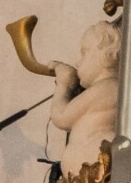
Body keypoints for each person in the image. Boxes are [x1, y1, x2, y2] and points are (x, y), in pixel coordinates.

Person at [47, 20, 120, 174]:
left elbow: (61, 117)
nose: (78, 62)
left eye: (84, 52)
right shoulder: (110, 87)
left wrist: (64, 83)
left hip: (96, 168)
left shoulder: (106, 88)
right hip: (82, 177)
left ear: (107, 55)